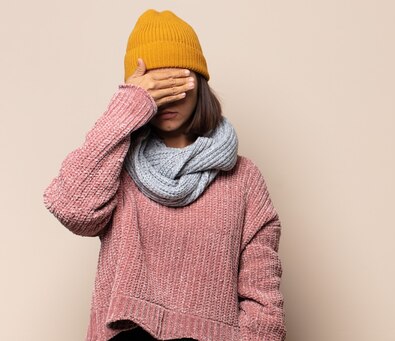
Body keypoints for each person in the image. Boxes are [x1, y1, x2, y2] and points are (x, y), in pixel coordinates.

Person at [42, 9, 286, 341]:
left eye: (176, 80)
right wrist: (129, 105)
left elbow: (264, 303)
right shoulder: (117, 165)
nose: (167, 95)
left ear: (199, 82)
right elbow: (72, 208)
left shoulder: (243, 178)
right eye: (155, 85)